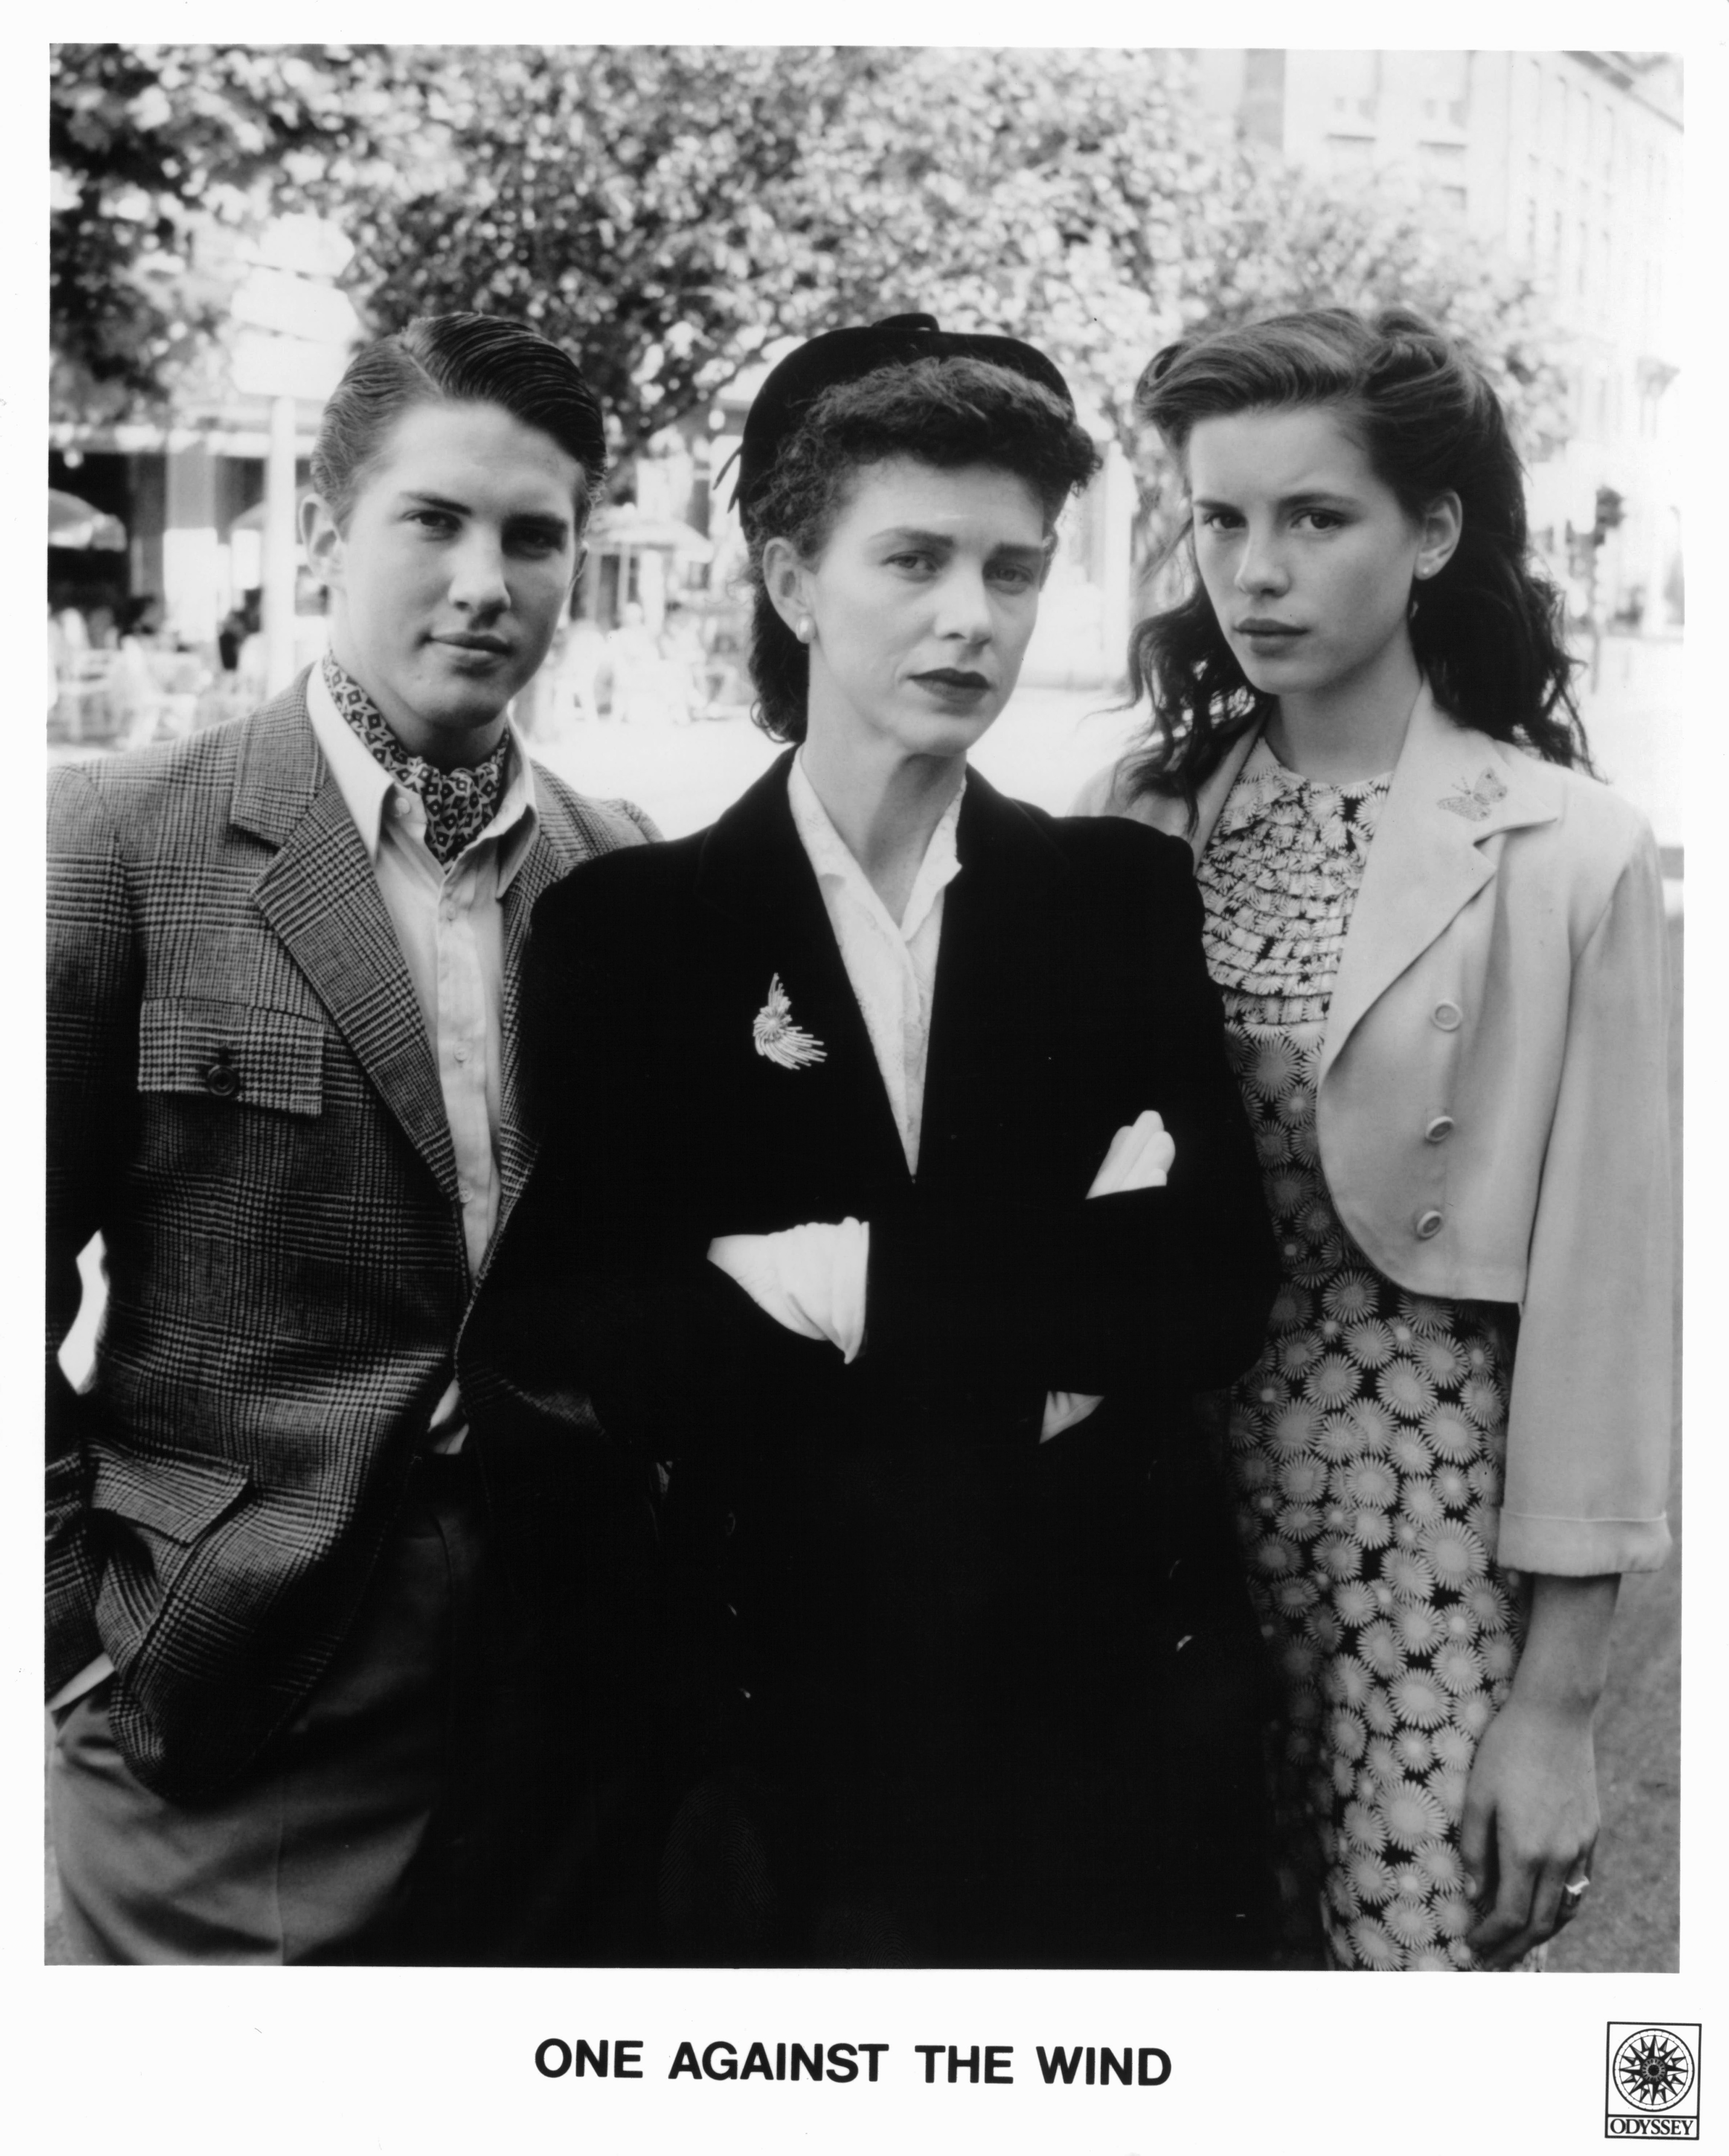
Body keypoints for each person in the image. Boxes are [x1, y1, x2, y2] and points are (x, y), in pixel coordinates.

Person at [484, 314, 1280, 1967]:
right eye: (913, 559)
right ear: (792, 582)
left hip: (1095, 1704)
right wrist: (1055, 1302)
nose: (969, 616)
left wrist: (837, 1278)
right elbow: (593, 1331)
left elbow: (1211, 1297)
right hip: (775, 1720)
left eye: (1013, 569)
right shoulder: (633, 931)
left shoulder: (1114, 898)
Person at [46, 312, 661, 1965]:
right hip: (219, 1706)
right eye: (434, 521)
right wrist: (77, 1631)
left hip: (549, 1714)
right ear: (329, 531)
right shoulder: (119, 846)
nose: (485, 581)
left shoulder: (620, 877)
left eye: (534, 536)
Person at [1076, 306, 1673, 1971]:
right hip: (1152, 1547)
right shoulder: (1136, 823)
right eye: (1220, 519)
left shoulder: (1573, 857)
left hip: (1420, 1569)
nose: (1254, 572)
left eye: (1315, 518)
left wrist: (1554, 1709)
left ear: (1432, 530)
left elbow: (1605, 1314)